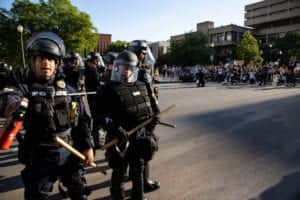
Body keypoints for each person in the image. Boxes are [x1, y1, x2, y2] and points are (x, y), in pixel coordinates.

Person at [18, 31, 94, 200]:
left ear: (57, 63)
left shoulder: (68, 90)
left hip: (69, 154)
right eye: (41, 58)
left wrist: (88, 146)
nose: (46, 63)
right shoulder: (25, 88)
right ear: (33, 61)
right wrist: (12, 105)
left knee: (79, 192)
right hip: (39, 158)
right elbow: (11, 99)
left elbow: (82, 120)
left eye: (51, 59)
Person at [96, 50, 159, 200]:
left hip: (139, 136)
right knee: (119, 170)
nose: (126, 71)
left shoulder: (142, 85)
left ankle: (138, 195)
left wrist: (152, 122)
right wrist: (115, 129)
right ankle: (116, 196)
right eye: (124, 67)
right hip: (119, 137)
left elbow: (151, 107)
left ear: (135, 69)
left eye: (130, 68)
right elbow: (100, 115)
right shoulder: (108, 89)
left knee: (138, 167)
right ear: (117, 67)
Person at [128, 40, 160, 192]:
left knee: (131, 152)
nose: (144, 56)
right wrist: (156, 112)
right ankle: (144, 182)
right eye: (143, 53)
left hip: (128, 117)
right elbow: (150, 95)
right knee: (144, 150)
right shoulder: (141, 72)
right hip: (142, 117)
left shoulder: (122, 70)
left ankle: (134, 177)